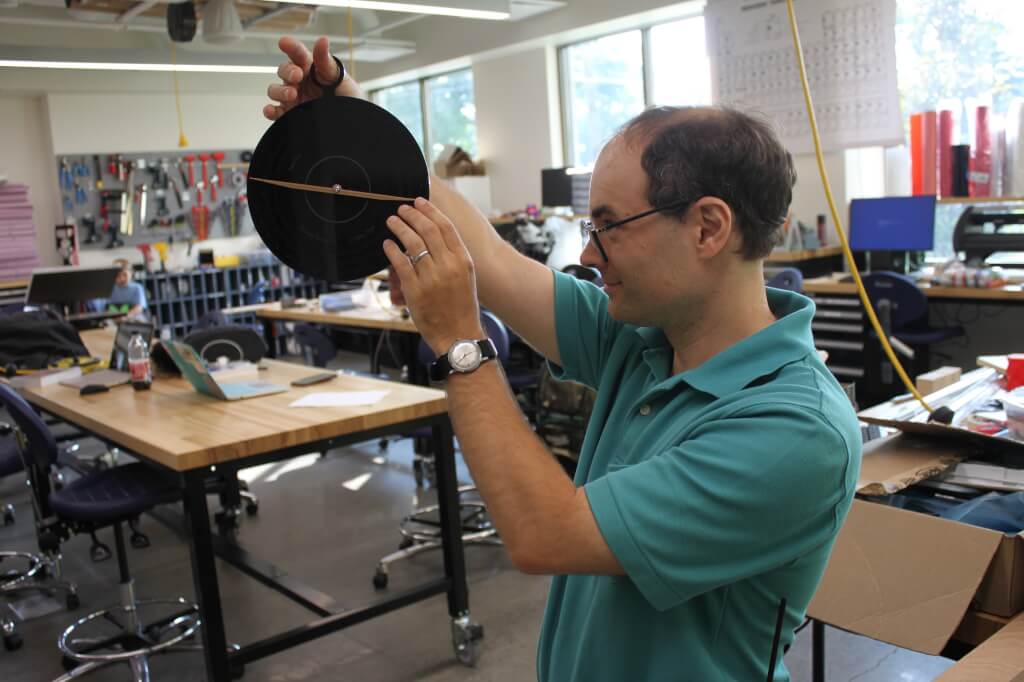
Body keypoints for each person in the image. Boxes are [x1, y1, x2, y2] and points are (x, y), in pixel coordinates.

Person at [265, 37, 862, 681]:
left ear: (708, 227)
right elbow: (491, 259)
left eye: (607, 225)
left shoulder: (795, 430)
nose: (588, 255)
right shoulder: (641, 338)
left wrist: (462, 345)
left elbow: (545, 533)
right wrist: (357, 122)